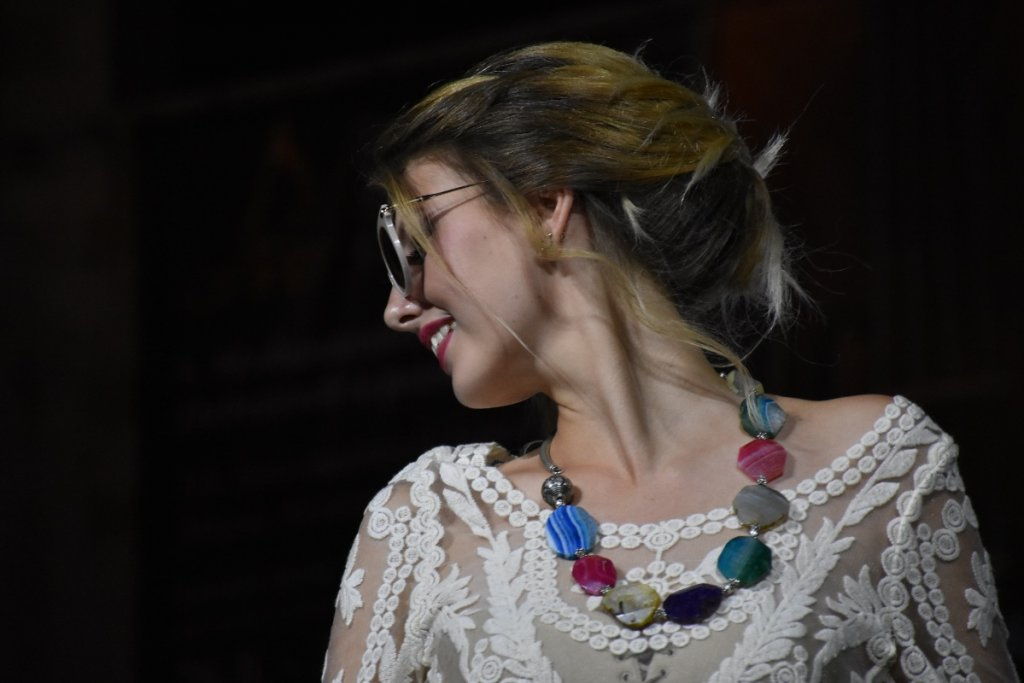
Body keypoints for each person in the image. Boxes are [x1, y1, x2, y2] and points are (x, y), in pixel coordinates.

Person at [322, 42, 1017, 682]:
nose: (397, 305)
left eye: (414, 240)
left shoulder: (878, 470)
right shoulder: (429, 526)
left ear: (543, 204)